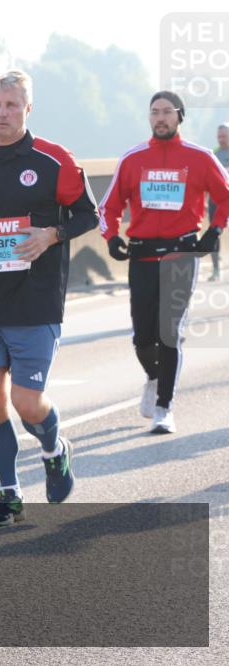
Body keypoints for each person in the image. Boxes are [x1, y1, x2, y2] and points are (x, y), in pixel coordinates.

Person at [0, 70, 97, 526]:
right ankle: (9, 492)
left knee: (27, 402)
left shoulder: (53, 160)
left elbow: (89, 214)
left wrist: (52, 234)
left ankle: (53, 448)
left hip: (37, 299)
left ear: (28, 109)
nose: (2, 113)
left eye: (11, 105)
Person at [99, 92, 228, 434]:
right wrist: (111, 237)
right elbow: (108, 207)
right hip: (142, 254)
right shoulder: (133, 159)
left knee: (170, 333)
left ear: (179, 117)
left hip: (181, 253)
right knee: (143, 337)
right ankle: (154, 378)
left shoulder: (200, 158)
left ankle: (164, 407)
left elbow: (226, 196)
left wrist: (214, 231)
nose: (160, 118)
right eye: (154, 112)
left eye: (167, 112)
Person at [210, 122, 229, 281]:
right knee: (213, 233)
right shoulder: (214, 154)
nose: (221, 140)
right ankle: (216, 269)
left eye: (224, 136)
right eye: (219, 137)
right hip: (217, 201)